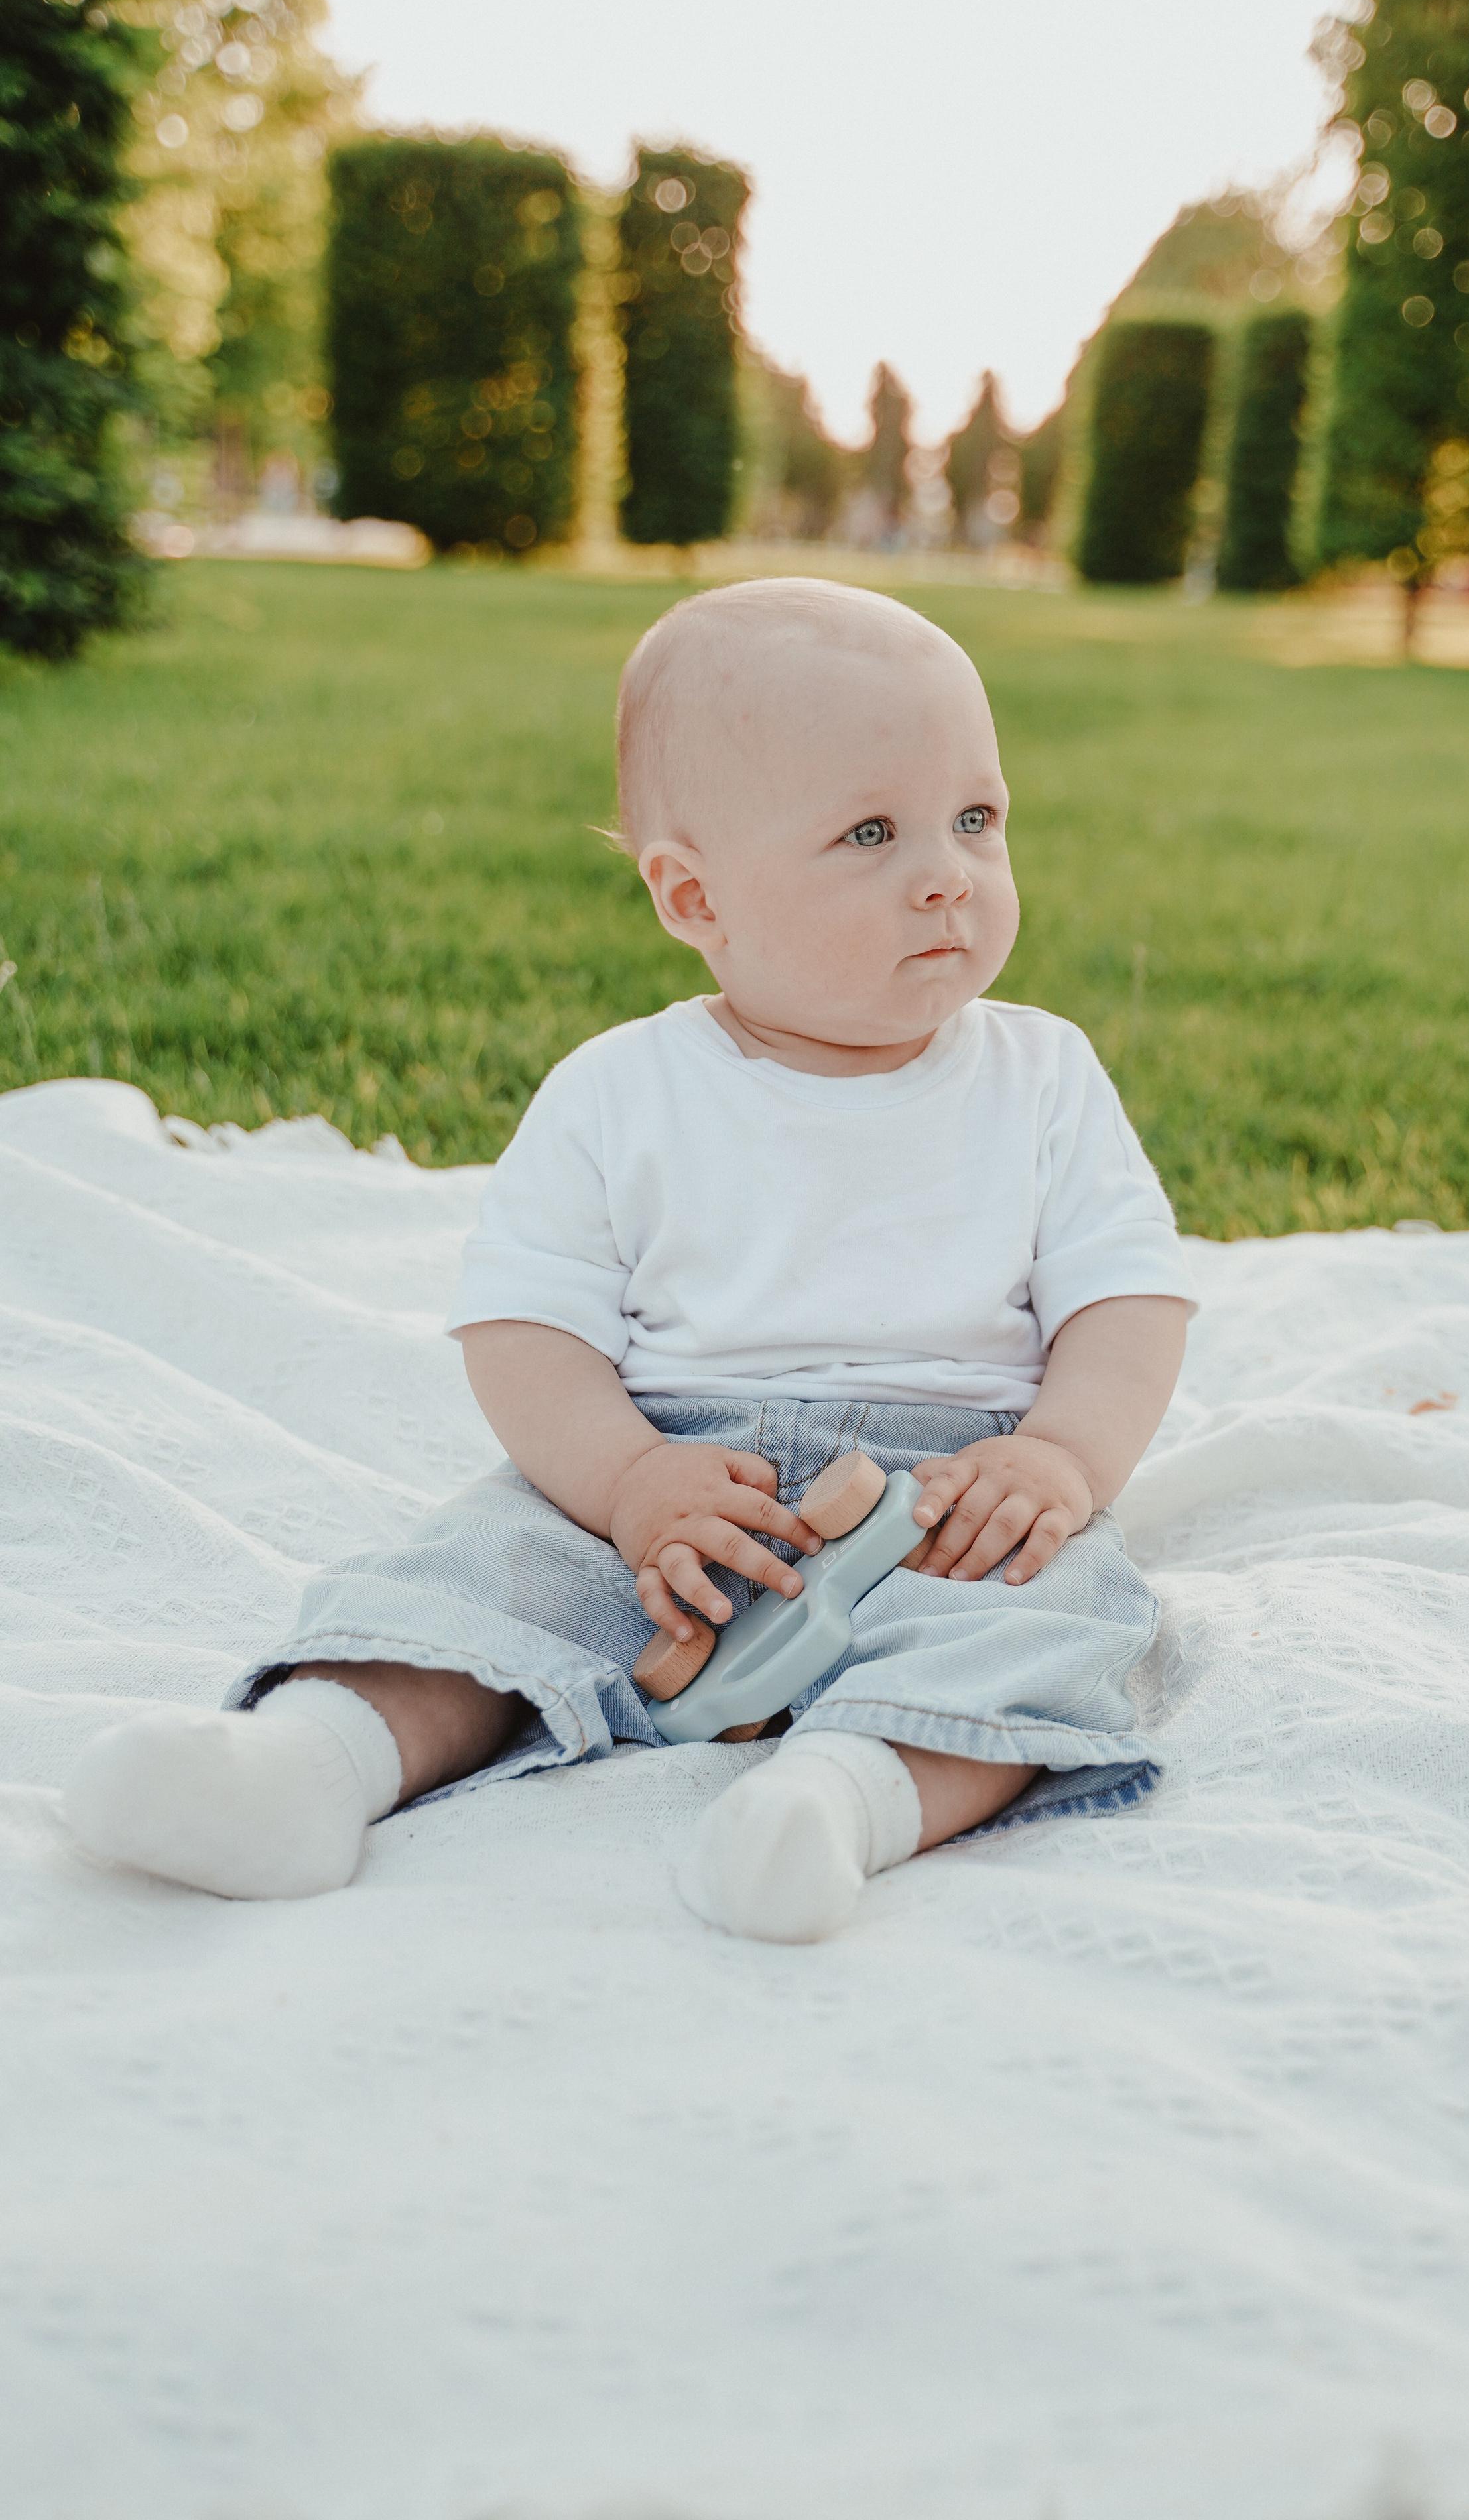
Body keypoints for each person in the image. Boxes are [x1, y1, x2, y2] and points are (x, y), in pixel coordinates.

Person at [64, 579, 1195, 1943]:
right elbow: (526, 1332)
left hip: (945, 1494)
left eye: (975, 817)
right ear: (692, 894)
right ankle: (308, 1768)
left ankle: (838, 1805)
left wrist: (1060, 1462)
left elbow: (1123, 1298)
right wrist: (624, 1482)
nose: (948, 870)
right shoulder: (620, 1092)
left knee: (1044, 1619)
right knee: (485, 1568)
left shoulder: (1040, 1076)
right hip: (662, 1470)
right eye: (871, 833)